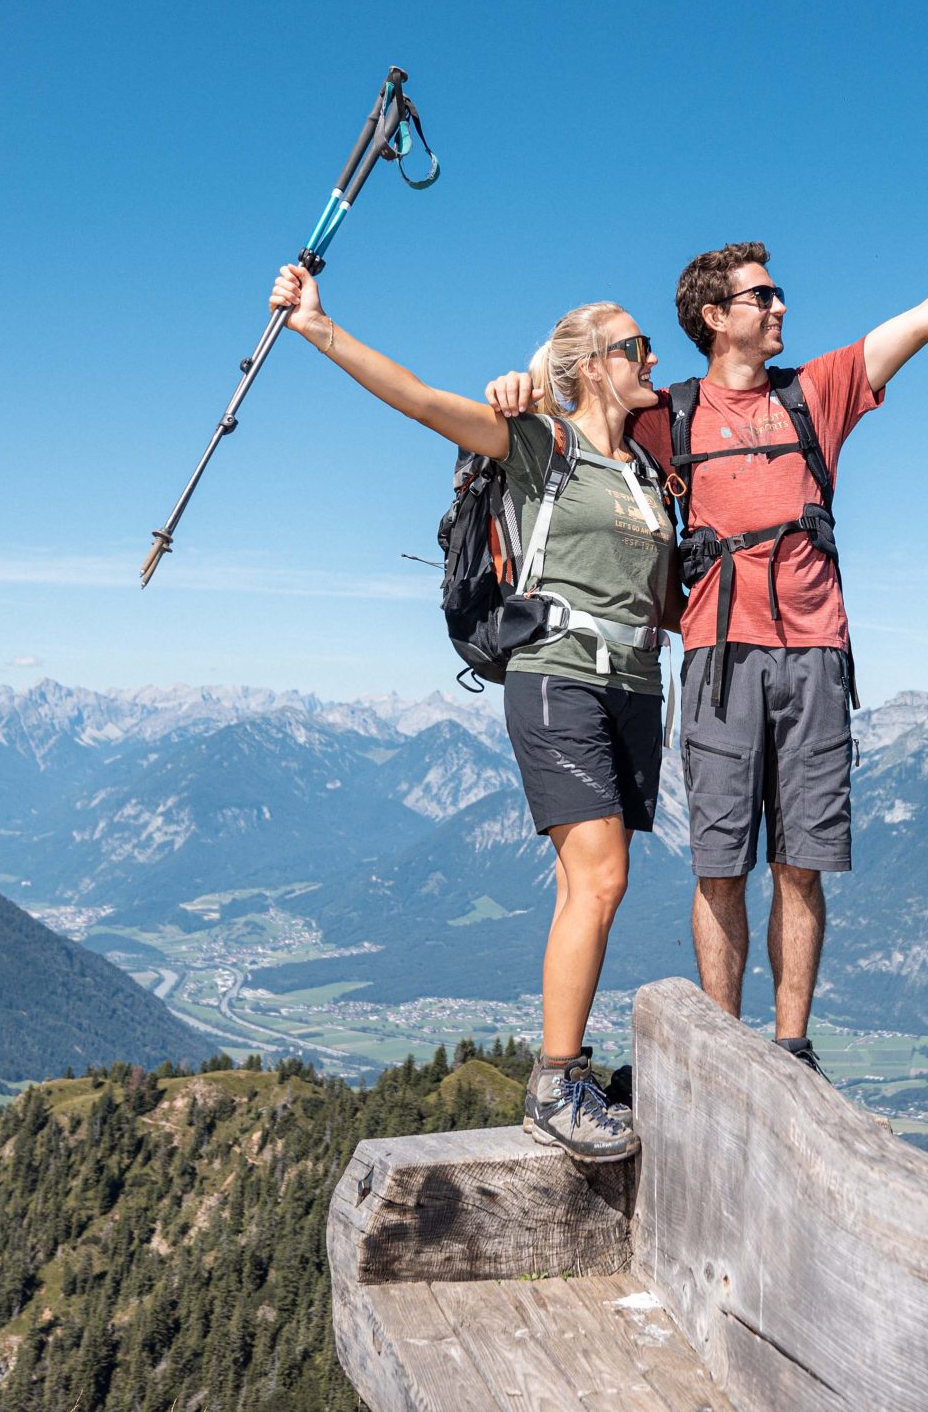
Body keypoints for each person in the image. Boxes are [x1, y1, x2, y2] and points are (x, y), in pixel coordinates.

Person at [487, 177, 928, 1071]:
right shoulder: (664, 411)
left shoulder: (817, 394)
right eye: (763, 295)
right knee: (719, 867)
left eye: (776, 292)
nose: (781, 304)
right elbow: (579, 410)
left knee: (802, 864)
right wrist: (521, 383)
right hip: (720, 656)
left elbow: (923, 319)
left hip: (818, 657)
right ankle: (724, 1058)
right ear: (715, 316)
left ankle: (790, 1050)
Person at [267, 262, 675, 1161]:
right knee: (599, 878)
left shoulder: (645, 466)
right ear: (593, 366)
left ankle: (566, 1071)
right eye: (636, 347)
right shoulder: (541, 443)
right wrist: (317, 326)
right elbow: (416, 400)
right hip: (557, 676)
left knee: (594, 883)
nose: (653, 357)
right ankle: (556, 1080)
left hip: (637, 689)